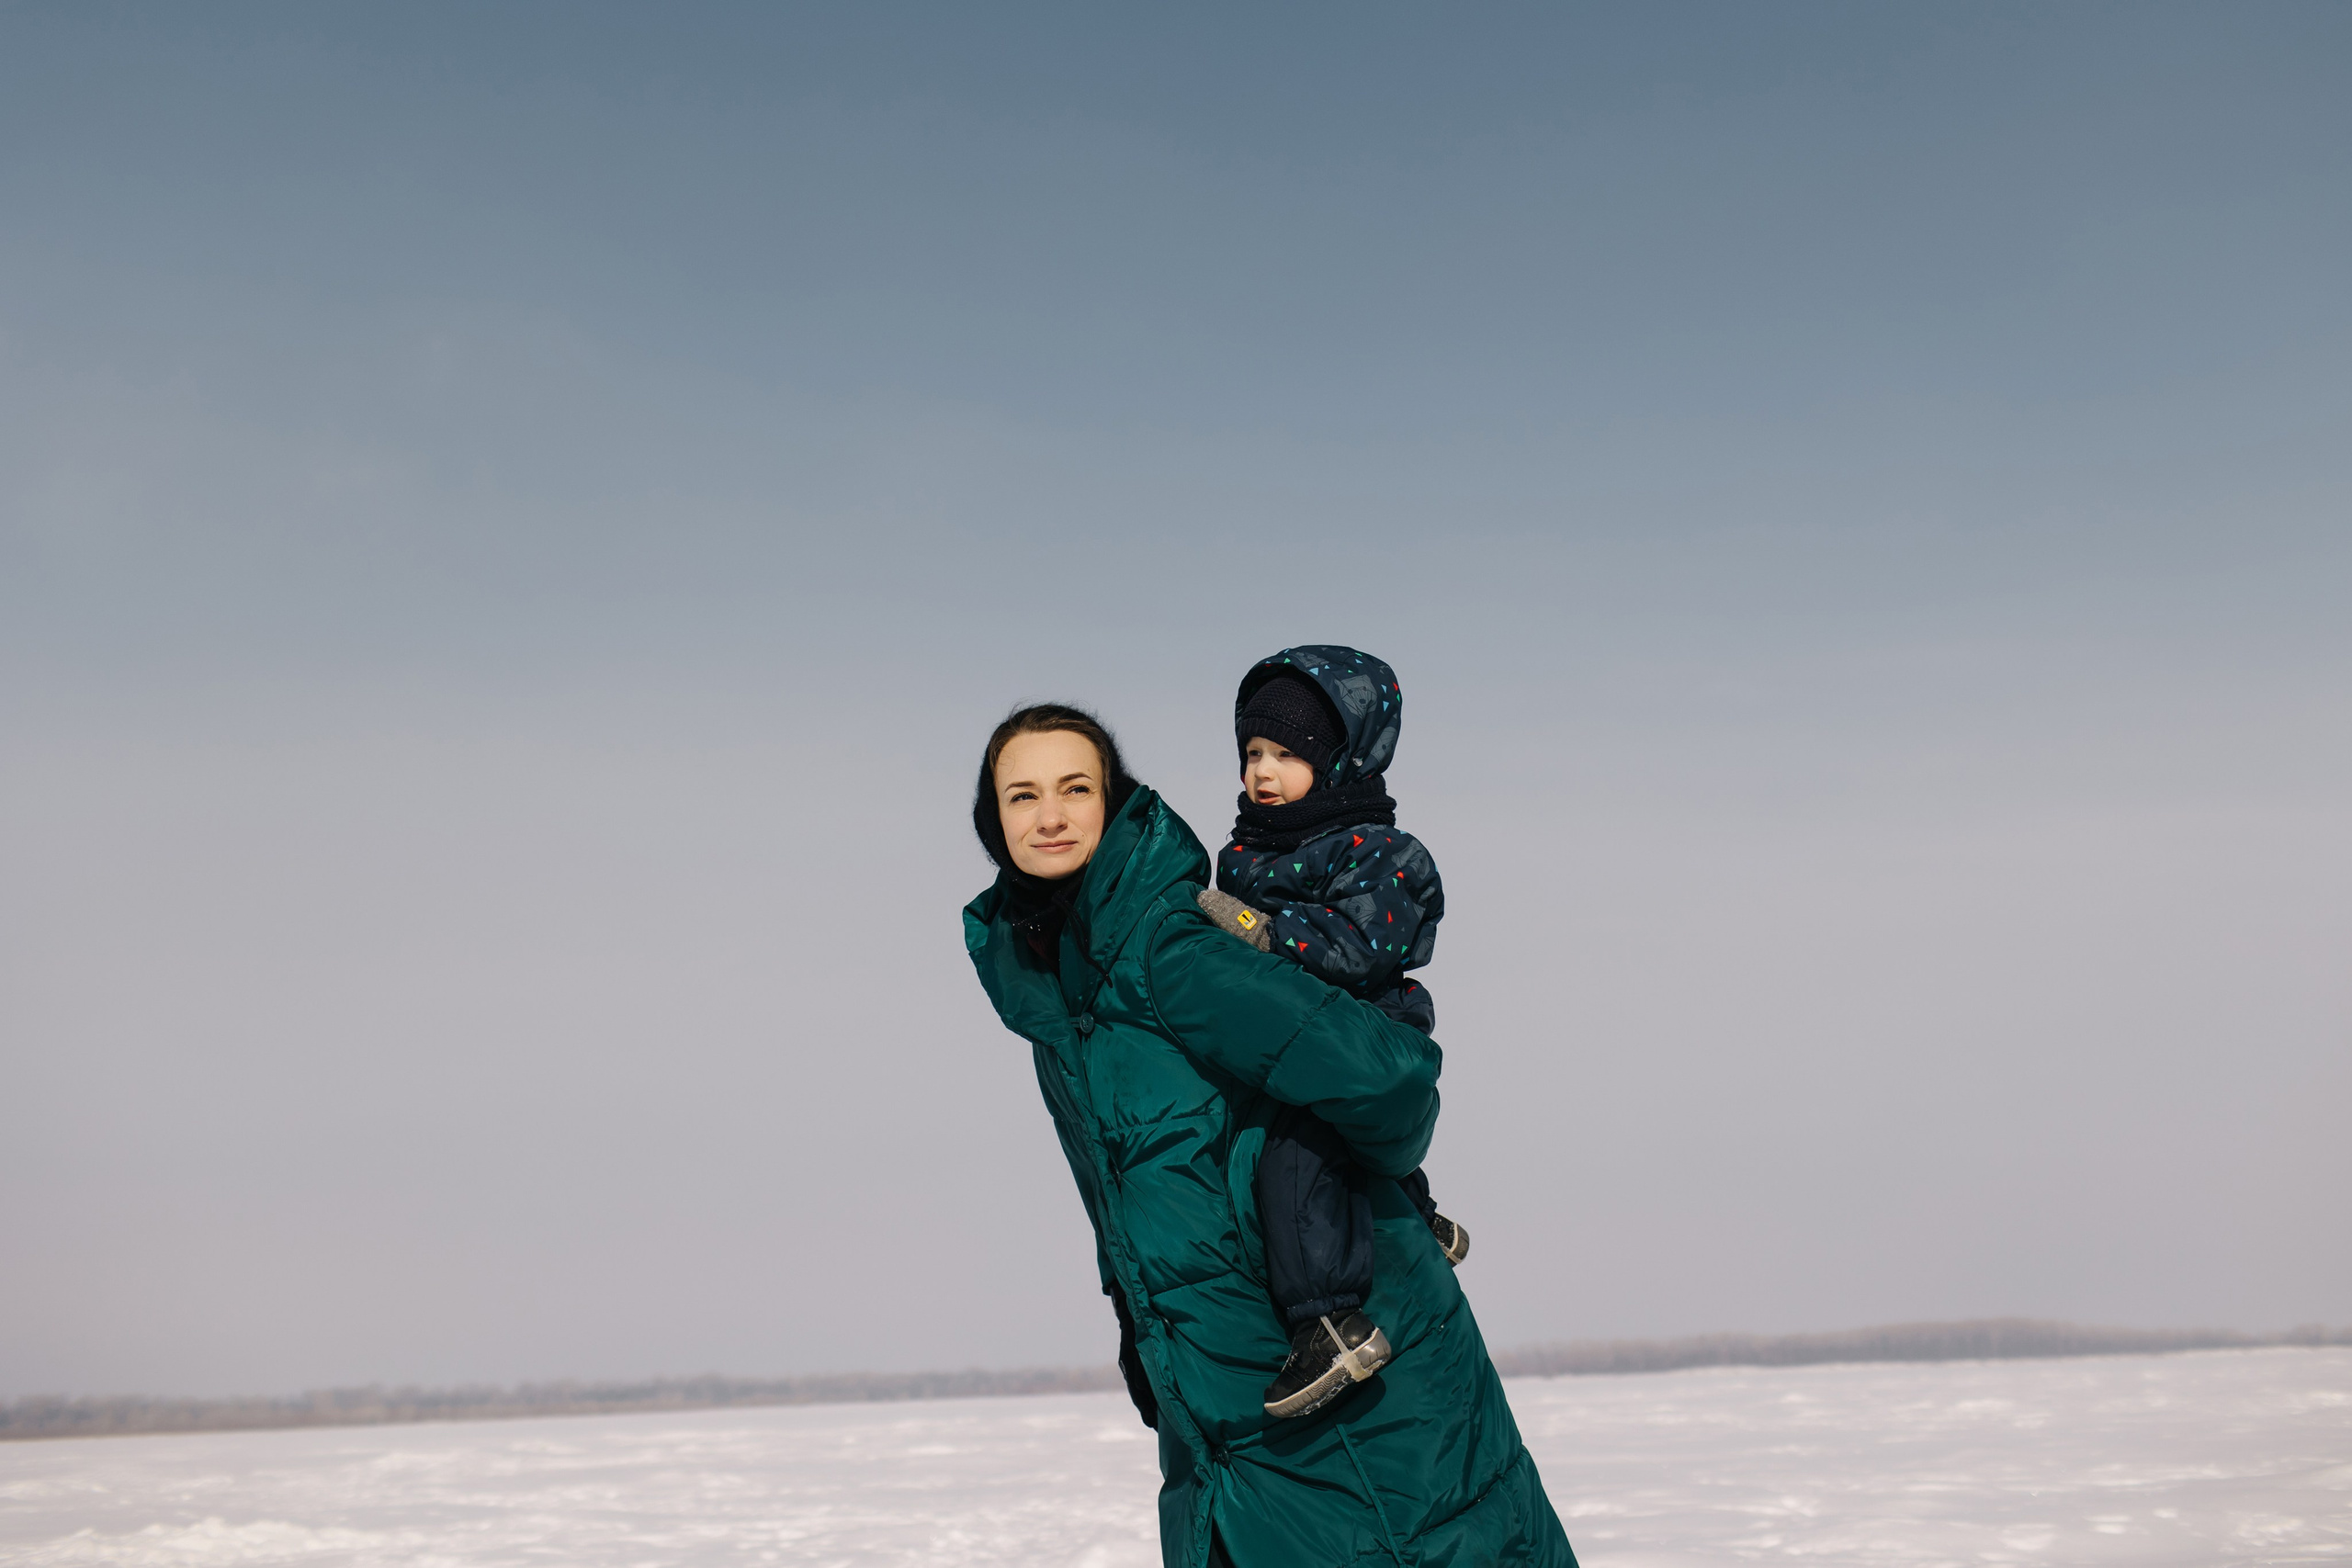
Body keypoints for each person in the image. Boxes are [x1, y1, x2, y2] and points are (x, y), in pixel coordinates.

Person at [965, 702, 1577, 1568]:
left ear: (1115, 800)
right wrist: (1141, 1335)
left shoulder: (1170, 954)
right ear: (995, 822)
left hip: (1363, 1414)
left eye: (1076, 786)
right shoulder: (1068, 1010)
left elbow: (1391, 1080)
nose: (1051, 814)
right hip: (1228, 1430)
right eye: (1022, 795)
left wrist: (1329, 1201)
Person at [1192, 647, 1462, 1421]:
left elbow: (1360, 946)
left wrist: (1262, 929)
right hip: (1290, 1032)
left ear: (1342, 758)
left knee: (1300, 1157)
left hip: (1372, 1022)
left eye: (1287, 754)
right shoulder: (1246, 850)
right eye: (1252, 752)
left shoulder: (1380, 852)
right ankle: (1413, 1216)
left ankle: (1330, 1321)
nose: (1263, 771)